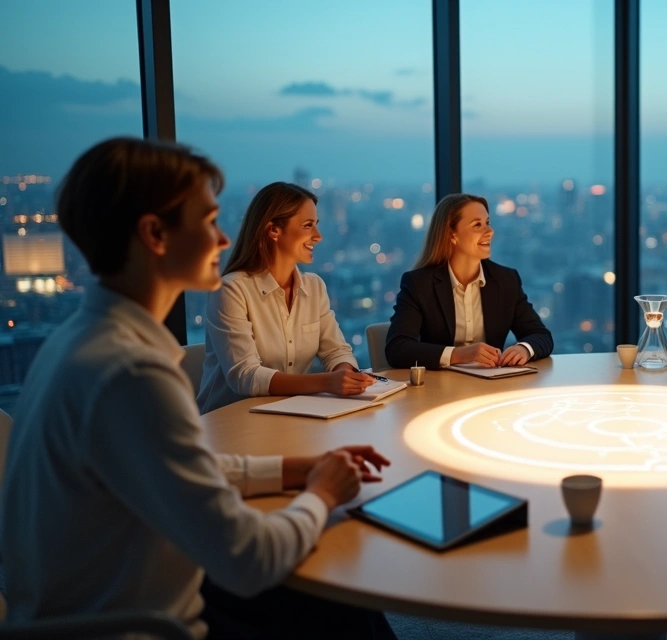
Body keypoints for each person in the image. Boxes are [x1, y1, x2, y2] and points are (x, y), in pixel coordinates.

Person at [0, 138, 393, 638]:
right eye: (208, 221)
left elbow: (181, 468)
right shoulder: (133, 373)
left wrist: (300, 468)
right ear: (155, 234)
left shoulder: (80, 341)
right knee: (335, 588)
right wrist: (320, 493)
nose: (225, 239)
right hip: (146, 622)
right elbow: (250, 559)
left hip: (104, 595)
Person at [196, 181, 373, 413]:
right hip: (230, 422)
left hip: (290, 414)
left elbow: (336, 351)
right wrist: (328, 382)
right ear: (273, 230)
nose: (318, 236)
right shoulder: (231, 290)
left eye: (316, 225)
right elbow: (245, 376)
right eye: (308, 226)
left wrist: (343, 371)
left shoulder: (315, 287)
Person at [385, 193, 553, 370]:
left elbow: (540, 335)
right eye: (477, 225)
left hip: (492, 388)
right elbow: (397, 349)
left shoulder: (506, 280)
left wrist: (524, 349)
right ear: (452, 234)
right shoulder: (419, 283)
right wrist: (459, 355)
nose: (490, 231)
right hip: (438, 390)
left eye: (487, 223)